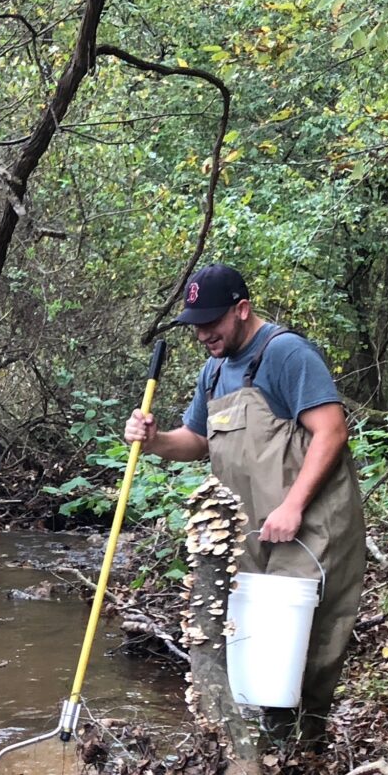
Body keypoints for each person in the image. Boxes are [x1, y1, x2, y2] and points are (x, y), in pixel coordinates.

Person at [124, 263, 366, 741]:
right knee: (254, 640)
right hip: (251, 528)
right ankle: (264, 748)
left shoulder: (286, 354)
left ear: (242, 309)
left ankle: (301, 748)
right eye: (195, 324)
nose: (202, 334)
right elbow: (195, 441)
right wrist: (154, 441)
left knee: (306, 643)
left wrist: (294, 506)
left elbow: (331, 430)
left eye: (211, 323)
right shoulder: (213, 372)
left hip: (312, 523)